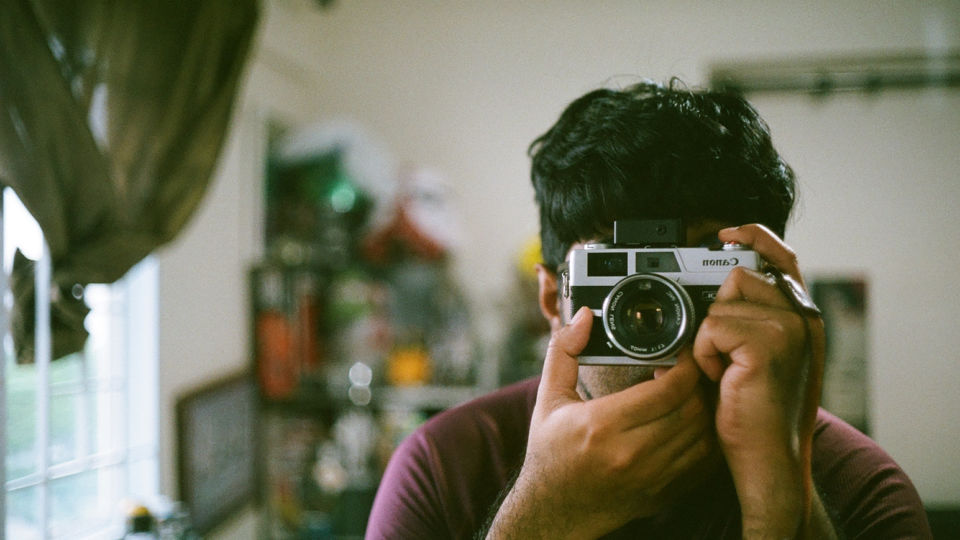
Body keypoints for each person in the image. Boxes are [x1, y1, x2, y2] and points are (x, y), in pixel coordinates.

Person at [365, 79, 931, 539]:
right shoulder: (447, 468)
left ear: (769, 286)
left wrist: (782, 507)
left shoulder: (859, 488)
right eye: (627, 282)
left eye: (696, 277)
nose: (667, 321)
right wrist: (541, 519)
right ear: (551, 299)